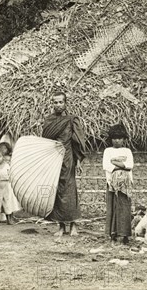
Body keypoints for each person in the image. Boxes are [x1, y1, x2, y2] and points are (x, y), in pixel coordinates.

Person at [42, 91, 87, 237]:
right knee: (57, 192)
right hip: (54, 159)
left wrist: (78, 161)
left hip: (68, 159)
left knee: (70, 190)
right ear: (52, 104)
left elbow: (77, 142)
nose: (58, 105)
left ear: (65, 103)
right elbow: (46, 142)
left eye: (61, 102)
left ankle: (73, 224)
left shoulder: (72, 120)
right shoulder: (48, 120)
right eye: (55, 102)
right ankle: (61, 226)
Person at [102, 123, 134, 244]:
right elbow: (106, 166)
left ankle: (124, 234)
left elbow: (129, 166)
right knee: (112, 208)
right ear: (111, 139)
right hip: (112, 185)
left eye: (120, 138)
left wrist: (115, 162)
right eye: (114, 138)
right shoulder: (108, 151)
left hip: (125, 185)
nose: (117, 141)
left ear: (124, 139)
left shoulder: (127, 151)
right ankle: (112, 234)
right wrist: (121, 165)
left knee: (124, 208)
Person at [0, 150, 18, 225]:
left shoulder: (7, 166)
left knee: (8, 202)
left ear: (3, 157)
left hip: (6, 186)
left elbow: (10, 175)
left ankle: (9, 219)